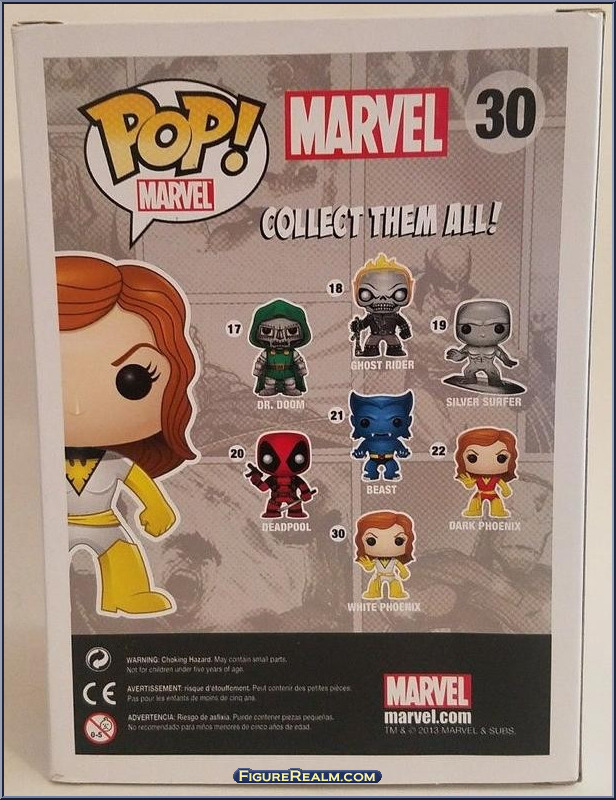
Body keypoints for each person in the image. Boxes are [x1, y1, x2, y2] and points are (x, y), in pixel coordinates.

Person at [58, 252, 199, 616]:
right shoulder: (33, 458)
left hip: (103, 522)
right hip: (47, 528)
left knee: (123, 555)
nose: (76, 407)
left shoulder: (116, 461)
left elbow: (141, 485)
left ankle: (126, 595)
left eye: (133, 380)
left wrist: (157, 507)